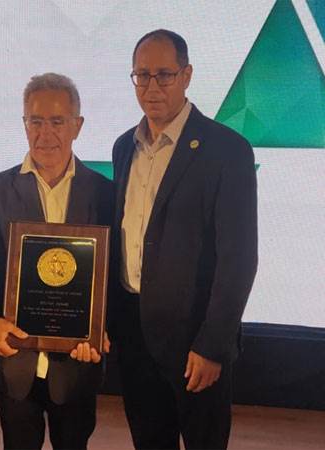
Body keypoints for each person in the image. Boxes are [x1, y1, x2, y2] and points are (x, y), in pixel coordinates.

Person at [110, 30, 258, 449]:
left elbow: (239, 258)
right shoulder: (124, 147)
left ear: (187, 75)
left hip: (196, 343)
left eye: (164, 75)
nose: (151, 87)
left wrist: (213, 345)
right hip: (135, 338)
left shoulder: (227, 150)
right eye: (142, 75)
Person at [0, 73, 113, 450]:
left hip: (78, 365)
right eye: (35, 121)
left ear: (77, 126)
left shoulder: (105, 194)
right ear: (24, 124)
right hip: (15, 363)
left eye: (57, 121)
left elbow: (114, 277)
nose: (45, 133)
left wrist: (102, 327)